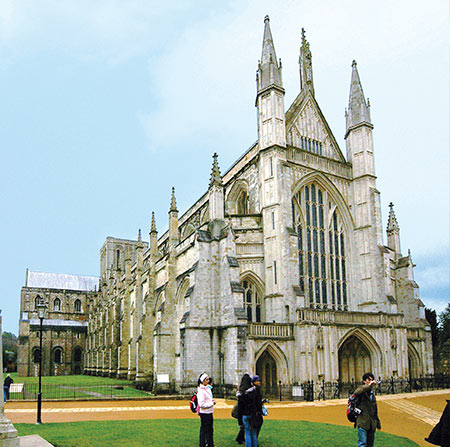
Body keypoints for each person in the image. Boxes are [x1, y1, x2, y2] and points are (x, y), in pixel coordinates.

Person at [354, 372, 381, 447]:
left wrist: (377, 422)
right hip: (362, 422)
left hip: (371, 423)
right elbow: (357, 392)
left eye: (372, 380)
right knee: (362, 444)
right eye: (369, 379)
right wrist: (368, 386)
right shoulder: (361, 390)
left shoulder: (372, 394)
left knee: (370, 445)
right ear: (364, 381)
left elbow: (375, 409)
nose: (371, 381)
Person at [237, 373, 263, 447]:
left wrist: (239, 420)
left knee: (247, 433)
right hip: (253, 414)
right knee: (253, 432)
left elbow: (240, 408)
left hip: (245, 415)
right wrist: (259, 412)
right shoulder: (254, 391)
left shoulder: (241, 393)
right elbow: (258, 403)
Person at [197, 372, 216, 447]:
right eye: (207, 379)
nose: (208, 381)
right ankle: (203, 444)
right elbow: (201, 404)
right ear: (203, 381)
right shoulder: (201, 391)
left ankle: (210, 444)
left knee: (210, 429)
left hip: (209, 412)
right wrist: (211, 403)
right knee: (205, 430)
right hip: (205, 413)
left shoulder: (207, 388)